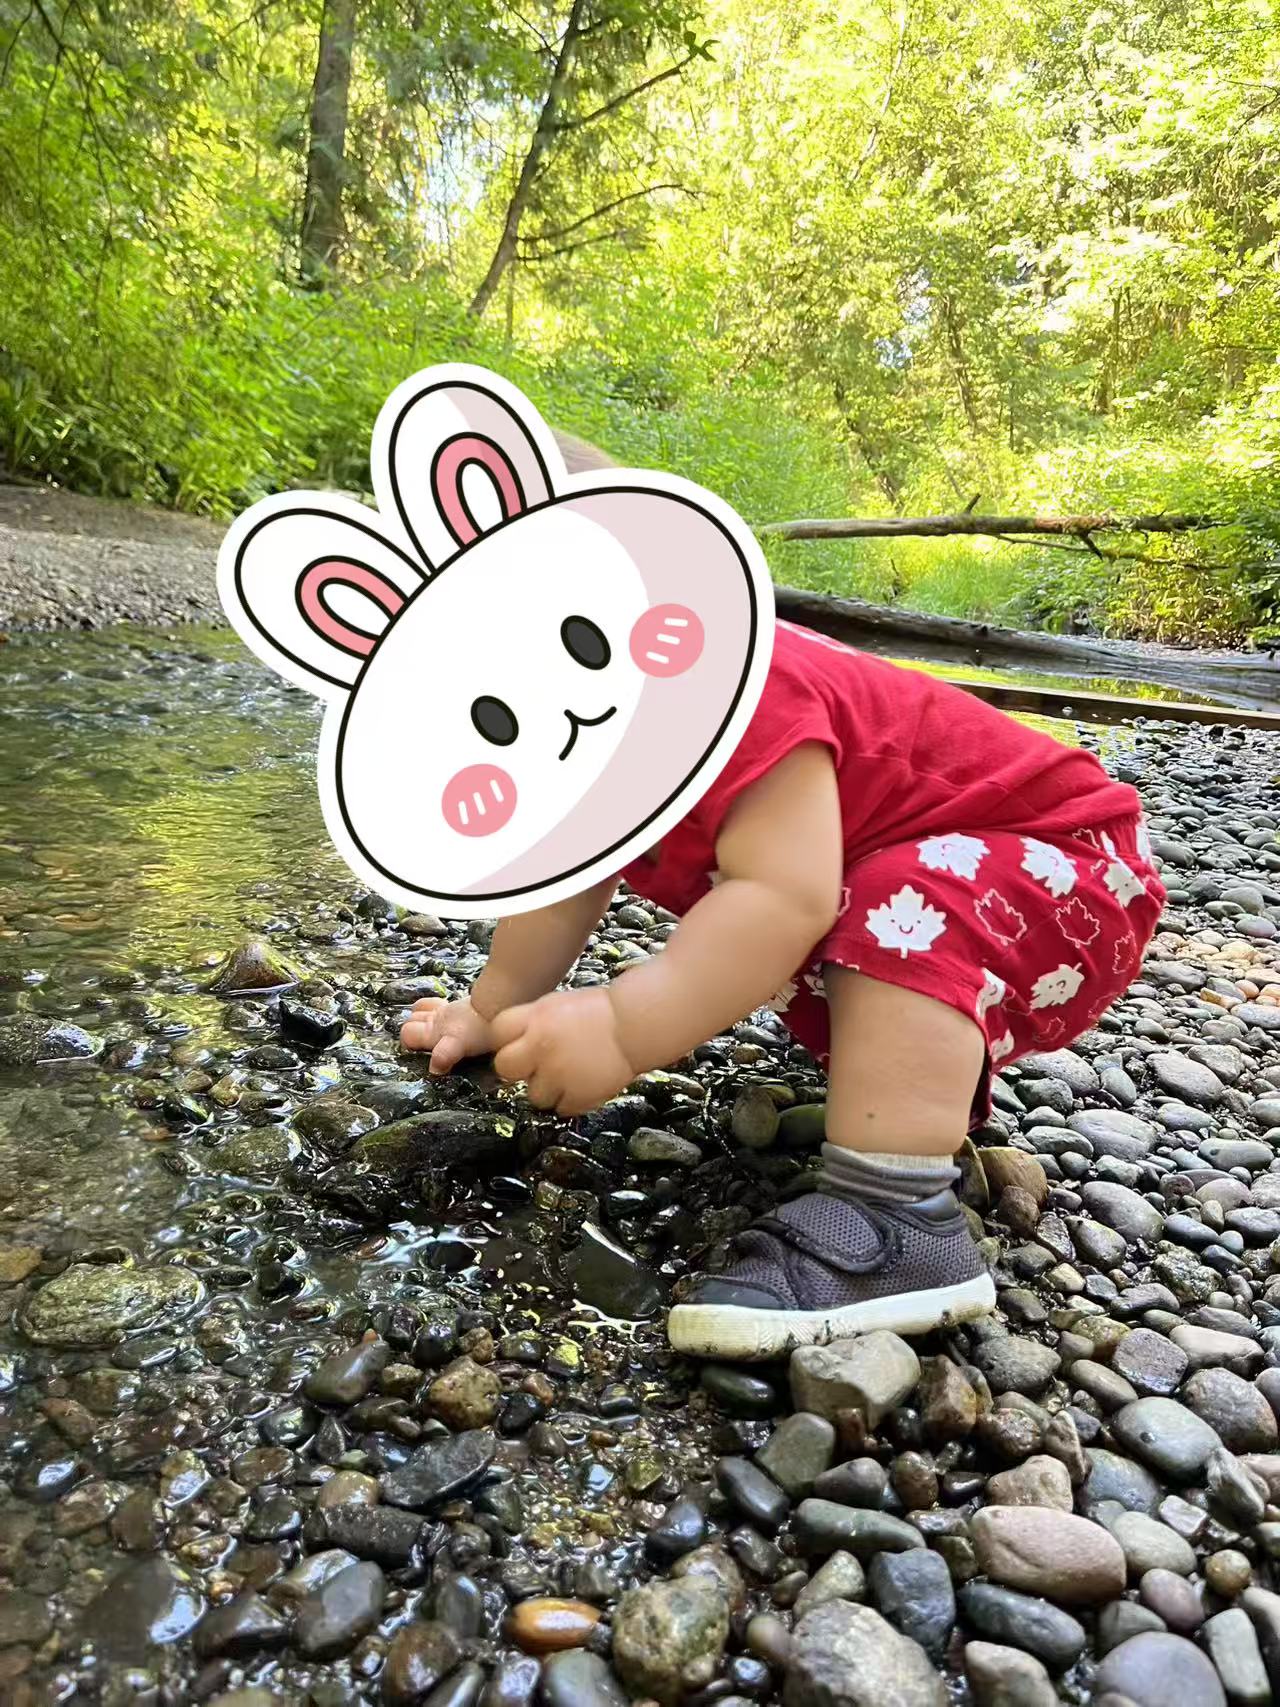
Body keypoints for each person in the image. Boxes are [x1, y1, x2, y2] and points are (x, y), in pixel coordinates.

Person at [399, 433, 1165, 1360]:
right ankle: (904, 1095)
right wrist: (494, 1007)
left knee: (886, 908)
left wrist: (619, 1027)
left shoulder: (747, 689)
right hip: (965, 868)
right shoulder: (584, 736)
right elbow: (570, 879)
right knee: (851, 916)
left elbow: (782, 894)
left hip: (1067, 865)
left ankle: (900, 1220)